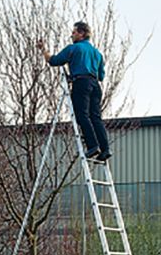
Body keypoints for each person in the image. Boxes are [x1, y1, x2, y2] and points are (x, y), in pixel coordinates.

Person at [37, 22, 111, 161]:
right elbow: (101, 76)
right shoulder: (97, 53)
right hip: (95, 86)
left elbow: (54, 61)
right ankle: (105, 149)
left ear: (82, 33)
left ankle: (92, 146)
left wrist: (43, 50)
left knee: (81, 115)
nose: (72, 35)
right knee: (96, 118)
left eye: (74, 32)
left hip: (81, 83)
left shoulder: (74, 48)